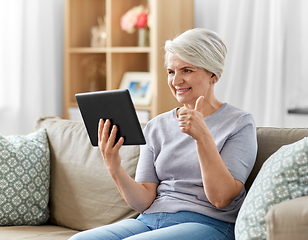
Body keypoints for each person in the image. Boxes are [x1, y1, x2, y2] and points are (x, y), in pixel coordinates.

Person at [69, 28, 258, 240]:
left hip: (208, 223)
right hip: (150, 220)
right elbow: (143, 201)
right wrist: (114, 167)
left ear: (212, 74)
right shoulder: (156, 126)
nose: (176, 81)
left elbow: (221, 198)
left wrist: (202, 136)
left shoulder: (239, 123)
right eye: (171, 71)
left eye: (186, 70)